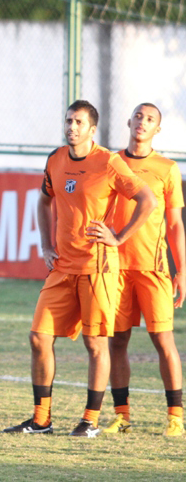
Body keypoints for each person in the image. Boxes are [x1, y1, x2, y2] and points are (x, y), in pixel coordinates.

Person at [4, 100, 156, 437]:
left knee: (95, 344)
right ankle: (41, 419)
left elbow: (147, 200)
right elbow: (44, 199)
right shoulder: (56, 159)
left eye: (79, 122)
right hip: (62, 268)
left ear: (92, 129)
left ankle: (90, 420)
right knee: (38, 338)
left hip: (97, 267)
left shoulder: (109, 162)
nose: (71, 127)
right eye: (69, 121)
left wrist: (117, 238)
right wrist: (46, 245)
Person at [103, 103, 185, 437]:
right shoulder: (110, 162)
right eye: (138, 116)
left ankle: (175, 417)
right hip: (116, 269)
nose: (142, 122)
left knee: (163, 340)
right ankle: (122, 415)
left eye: (150, 119)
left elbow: (176, 224)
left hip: (153, 269)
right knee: (117, 340)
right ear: (128, 121)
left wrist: (181, 270)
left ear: (157, 130)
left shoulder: (166, 168)